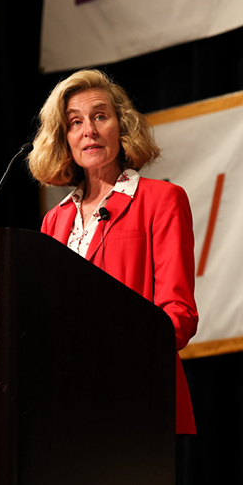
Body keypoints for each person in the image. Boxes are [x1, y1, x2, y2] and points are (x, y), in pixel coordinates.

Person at [28, 69, 198, 435]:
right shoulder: (53, 223)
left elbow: (178, 314)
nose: (88, 130)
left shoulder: (161, 200)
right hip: (65, 406)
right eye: (75, 122)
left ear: (121, 127)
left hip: (138, 400)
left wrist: (118, 355)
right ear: (65, 139)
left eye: (100, 116)